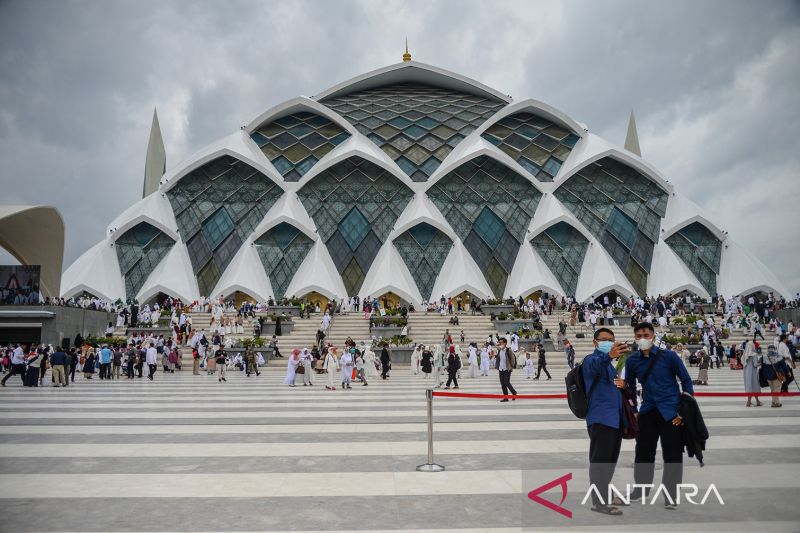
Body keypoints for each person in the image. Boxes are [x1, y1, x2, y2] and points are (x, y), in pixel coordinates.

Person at [625, 322, 694, 509]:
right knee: (643, 452)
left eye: (646, 335)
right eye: (638, 335)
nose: (642, 338)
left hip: (671, 412)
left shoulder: (669, 357)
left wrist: (685, 406)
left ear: (653, 336)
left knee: (672, 454)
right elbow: (629, 389)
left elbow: (686, 380)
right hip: (648, 412)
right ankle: (641, 489)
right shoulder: (632, 361)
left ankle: (671, 495)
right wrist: (635, 411)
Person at [583, 327, 629, 515]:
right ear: (595, 343)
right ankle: (599, 502)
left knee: (610, 461)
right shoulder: (591, 360)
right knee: (600, 461)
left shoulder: (610, 365)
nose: (609, 342)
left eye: (612, 339)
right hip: (600, 418)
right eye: (604, 339)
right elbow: (595, 366)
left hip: (614, 419)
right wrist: (609, 355)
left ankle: (606, 493)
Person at [495, 337, 517, 402]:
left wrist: (511, 367)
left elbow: (512, 359)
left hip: (507, 369)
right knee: (502, 384)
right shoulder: (499, 350)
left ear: (505, 343)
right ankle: (506, 398)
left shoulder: (508, 350)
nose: (499, 343)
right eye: (499, 342)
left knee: (506, 382)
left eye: (501, 342)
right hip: (501, 369)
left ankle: (514, 392)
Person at [742, 339, 762, 407]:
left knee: (749, 386)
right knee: (754, 386)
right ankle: (750, 402)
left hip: (746, 373)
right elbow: (755, 364)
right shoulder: (754, 354)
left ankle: (755, 401)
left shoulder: (745, 354)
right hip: (753, 373)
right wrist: (760, 362)